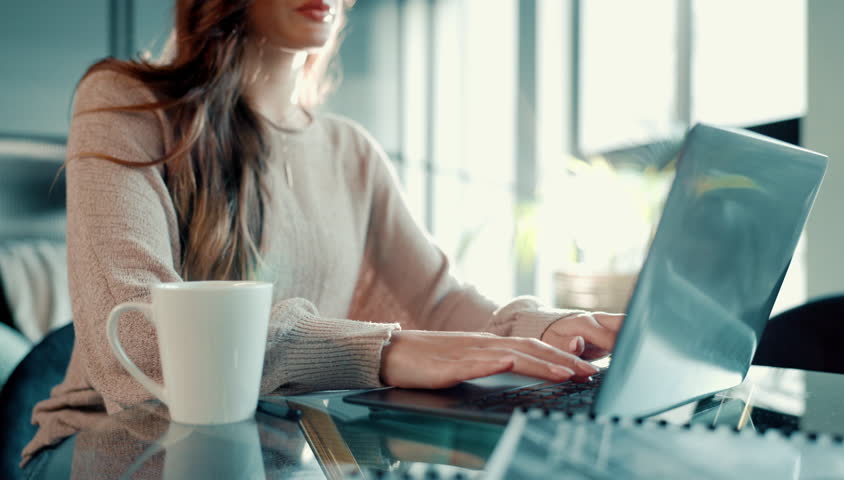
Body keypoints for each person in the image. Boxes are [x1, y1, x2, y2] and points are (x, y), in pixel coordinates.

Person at [20, 0, 623, 473]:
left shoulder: (352, 153)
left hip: (276, 451)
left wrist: (542, 330)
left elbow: (440, 305)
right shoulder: (127, 105)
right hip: (111, 449)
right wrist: (382, 351)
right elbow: (140, 341)